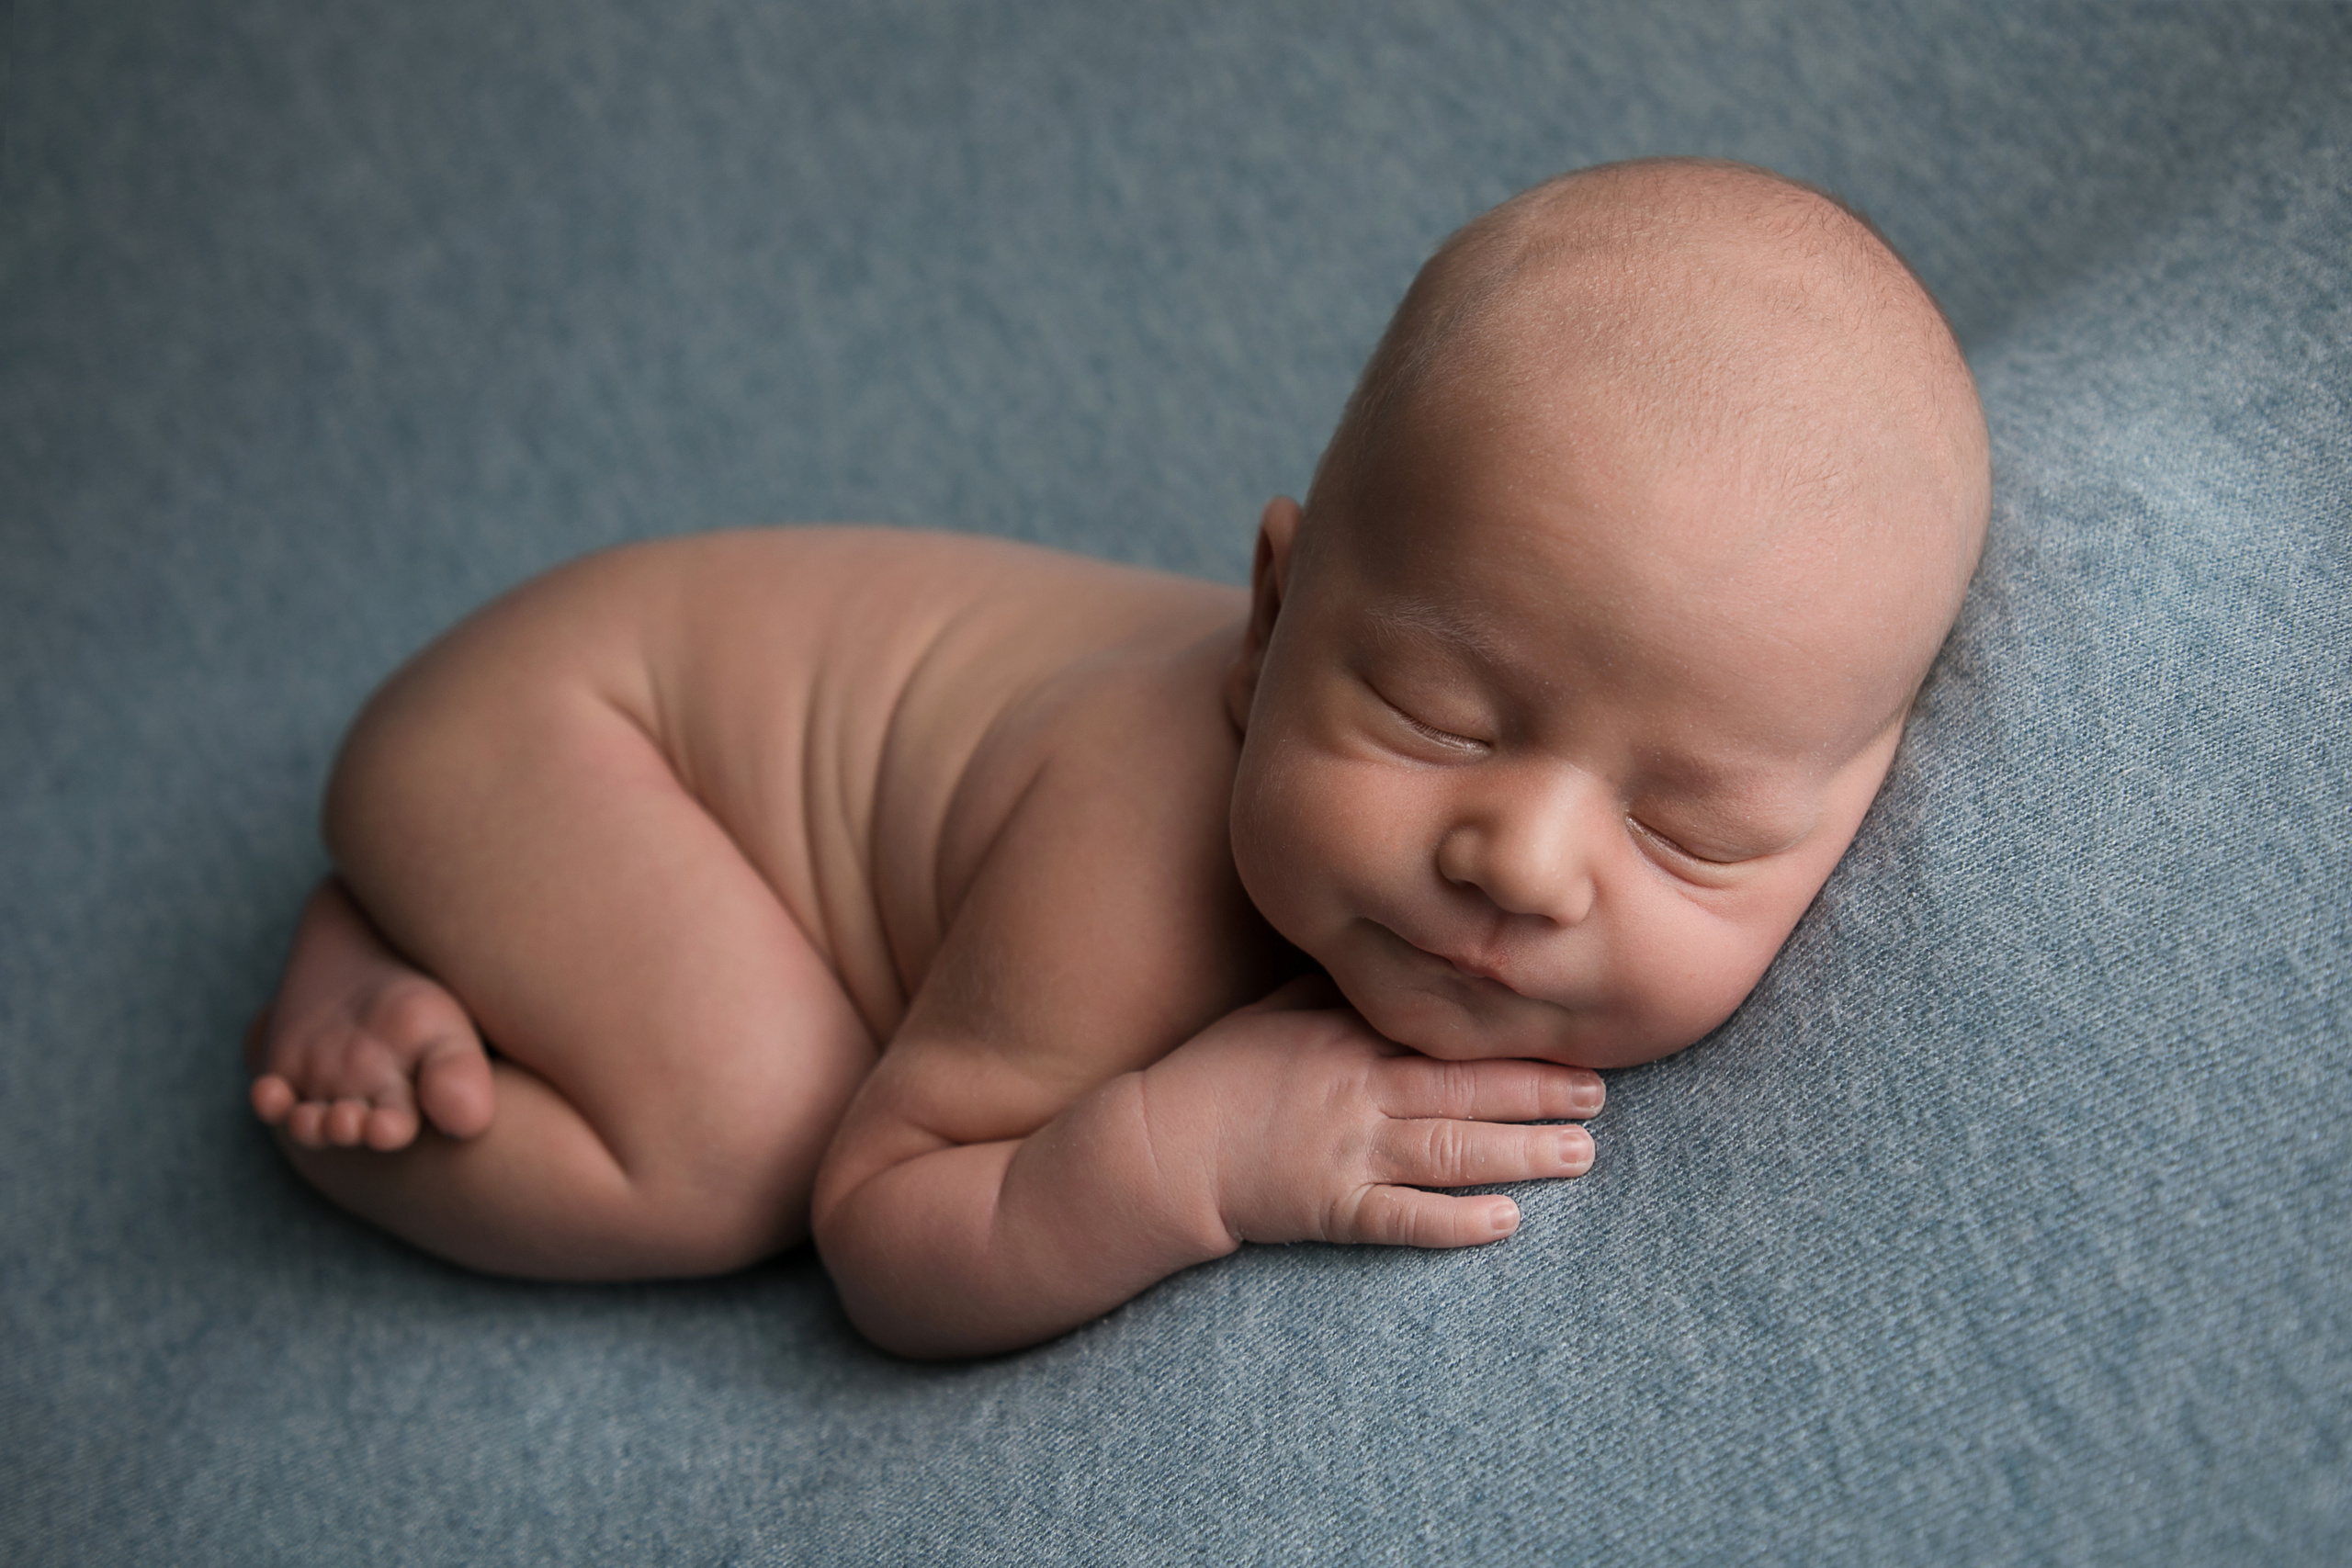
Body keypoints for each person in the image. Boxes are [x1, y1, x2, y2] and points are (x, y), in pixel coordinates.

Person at [244, 157, 1990, 1359]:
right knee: (747, 1138)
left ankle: (456, 928)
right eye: (1435, 714)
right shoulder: (1133, 859)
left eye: (1689, 827)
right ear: (1271, 619)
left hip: (635, 747)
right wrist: (1186, 1158)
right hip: (566, 735)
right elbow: (885, 1232)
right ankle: (345, 1063)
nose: (1522, 862)